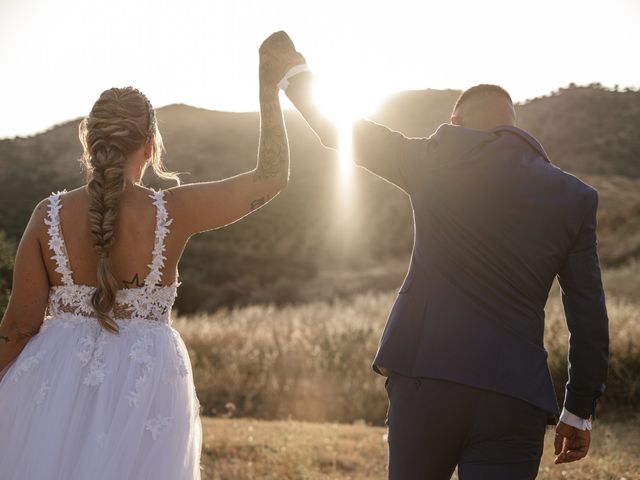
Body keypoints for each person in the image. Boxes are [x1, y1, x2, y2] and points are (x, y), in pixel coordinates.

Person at [260, 31, 609, 479]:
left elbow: (344, 132)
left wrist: (294, 71)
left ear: (457, 121)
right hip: (514, 394)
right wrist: (579, 410)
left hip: (426, 376)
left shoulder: (436, 159)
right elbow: (589, 316)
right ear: (515, 126)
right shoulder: (574, 197)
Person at [0, 37, 296, 480]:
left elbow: (19, 327)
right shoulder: (172, 212)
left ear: (89, 142)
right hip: (143, 388)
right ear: (151, 144)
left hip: (53, 387)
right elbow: (270, 178)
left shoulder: (48, 216)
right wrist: (269, 86)